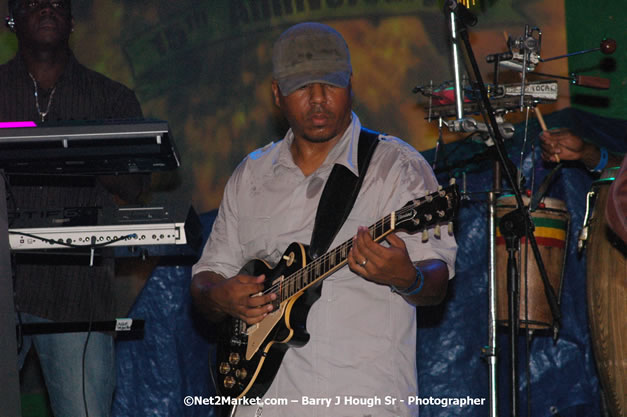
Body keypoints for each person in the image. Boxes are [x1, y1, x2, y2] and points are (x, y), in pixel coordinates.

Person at [190, 22, 457, 417]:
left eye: (330, 84)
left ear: (351, 84)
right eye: (301, 86)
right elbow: (207, 277)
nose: (318, 99)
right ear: (276, 93)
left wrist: (409, 277)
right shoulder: (251, 175)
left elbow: (435, 278)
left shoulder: (397, 167)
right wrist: (219, 296)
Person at [1, 0, 146, 416]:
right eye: (33, 2)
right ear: (11, 19)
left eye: (56, 3)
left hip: (77, 296)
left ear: (71, 20)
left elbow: (137, 187)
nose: (46, 9)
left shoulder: (110, 97)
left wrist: (79, 149)